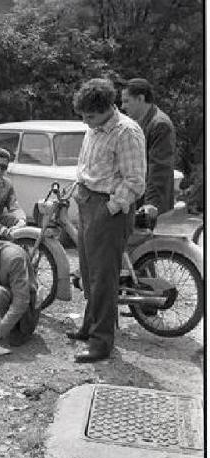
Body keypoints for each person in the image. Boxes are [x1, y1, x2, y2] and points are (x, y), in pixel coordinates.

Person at [71, 78, 146, 363]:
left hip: (109, 208)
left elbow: (135, 181)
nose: (87, 122)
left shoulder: (126, 132)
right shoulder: (93, 128)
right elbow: (86, 164)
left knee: (104, 278)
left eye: (90, 116)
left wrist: (110, 209)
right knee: (89, 274)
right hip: (87, 200)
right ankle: (90, 326)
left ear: (106, 108)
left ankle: (102, 342)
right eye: (83, 117)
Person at [120, 78, 176, 214]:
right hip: (135, 200)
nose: (123, 106)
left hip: (150, 206)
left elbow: (159, 169)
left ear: (140, 98)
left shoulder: (160, 125)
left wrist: (150, 205)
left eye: (127, 101)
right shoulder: (137, 123)